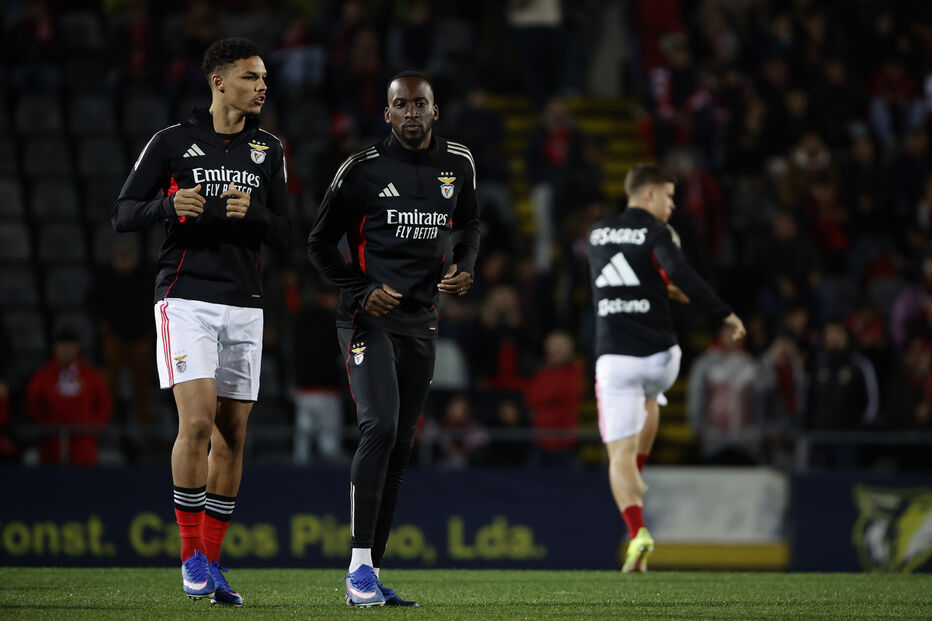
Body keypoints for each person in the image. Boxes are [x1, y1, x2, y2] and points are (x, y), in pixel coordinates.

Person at [112, 37, 289, 606]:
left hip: (245, 301)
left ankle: (213, 563)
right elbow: (123, 213)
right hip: (185, 296)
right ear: (218, 81)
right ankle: (190, 555)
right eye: (250, 77)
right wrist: (169, 205)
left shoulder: (269, 149)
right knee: (196, 423)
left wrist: (255, 213)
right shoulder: (172, 142)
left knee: (233, 436)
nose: (262, 85)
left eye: (264, 77)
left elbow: (290, 231)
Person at [307, 70, 480, 607]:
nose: (410, 113)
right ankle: (357, 570)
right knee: (378, 426)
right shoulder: (362, 169)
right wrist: (360, 291)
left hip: (422, 321)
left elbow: (470, 225)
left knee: (401, 447)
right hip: (366, 320)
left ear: (434, 110)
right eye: (400, 105)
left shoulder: (460, 163)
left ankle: (371, 573)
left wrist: (465, 267)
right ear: (386, 113)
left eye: (419, 104)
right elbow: (318, 244)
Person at [587, 163, 745, 572]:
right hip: (662, 357)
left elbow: (618, 278)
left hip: (617, 357)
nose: (673, 205)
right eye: (671, 196)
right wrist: (723, 312)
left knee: (616, 457)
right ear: (651, 194)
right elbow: (677, 272)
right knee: (650, 396)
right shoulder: (658, 233)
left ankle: (637, 528)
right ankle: (639, 471)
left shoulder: (598, 233)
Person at [25, 328, 113, 466]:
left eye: (70, 346)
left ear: (77, 348)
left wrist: (92, 426)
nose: (66, 350)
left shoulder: (91, 375)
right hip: (51, 444)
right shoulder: (43, 375)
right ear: (55, 348)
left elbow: (104, 403)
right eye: (62, 345)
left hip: (84, 446)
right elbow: (32, 402)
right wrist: (45, 424)